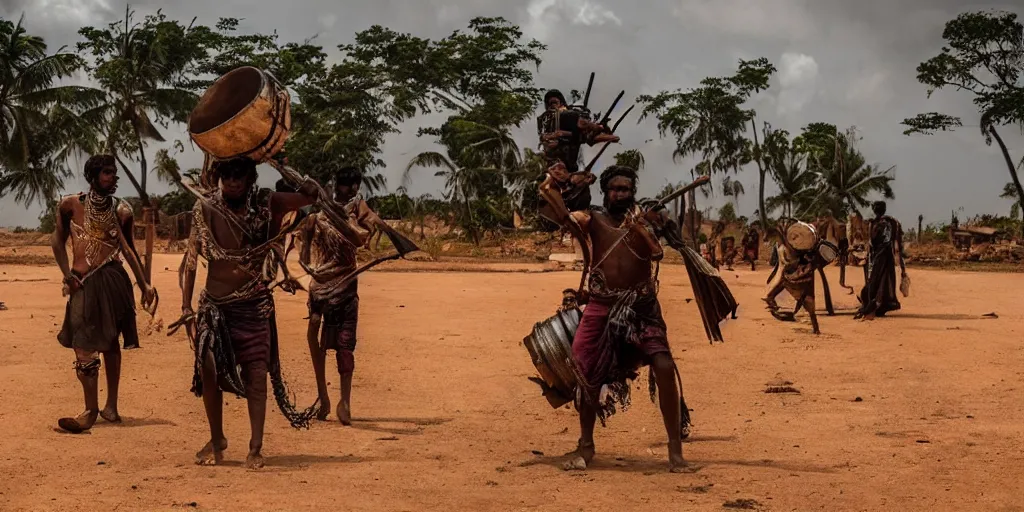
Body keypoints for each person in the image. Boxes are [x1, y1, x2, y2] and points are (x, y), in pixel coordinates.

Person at [538, 165, 709, 473]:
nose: (619, 194)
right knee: (586, 374)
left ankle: (675, 452)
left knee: (664, 365)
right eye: (614, 189)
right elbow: (562, 217)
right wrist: (552, 185)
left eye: (625, 189)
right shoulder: (594, 219)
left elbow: (657, 252)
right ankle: (586, 446)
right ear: (605, 192)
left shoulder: (645, 222)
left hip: (641, 307)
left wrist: (647, 225)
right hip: (602, 306)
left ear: (633, 192)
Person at [178, 157, 321, 469]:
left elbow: (311, 194)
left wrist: (284, 164)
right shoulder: (206, 208)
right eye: (226, 176)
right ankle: (217, 439)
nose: (231, 182)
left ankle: (255, 448)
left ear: (250, 178)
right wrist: (187, 307)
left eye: (238, 176)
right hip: (215, 307)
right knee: (209, 369)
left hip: (254, 306)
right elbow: (190, 259)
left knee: (256, 376)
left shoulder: (269, 204)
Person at [51, 154, 157, 433]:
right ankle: (90, 409)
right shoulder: (69, 205)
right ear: (94, 175)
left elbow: (129, 250)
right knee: (83, 344)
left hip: (112, 280)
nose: (113, 177)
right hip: (81, 283)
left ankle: (111, 406)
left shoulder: (122, 211)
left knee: (111, 342)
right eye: (107, 173)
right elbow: (58, 241)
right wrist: (66, 275)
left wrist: (144, 284)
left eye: (114, 173)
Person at [298, 166, 380, 425]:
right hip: (320, 286)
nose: (350, 190)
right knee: (313, 329)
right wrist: (307, 258)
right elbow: (303, 251)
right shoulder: (317, 217)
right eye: (345, 185)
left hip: (346, 287)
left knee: (345, 347)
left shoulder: (357, 212)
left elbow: (367, 232)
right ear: (335, 185)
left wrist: (364, 226)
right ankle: (323, 395)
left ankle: (345, 402)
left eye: (354, 185)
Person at [536, 89, 619, 212]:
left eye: (555, 102)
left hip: (570, 171)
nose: (552, 105)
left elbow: (612, 138)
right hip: (554, 169)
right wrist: (595, 126)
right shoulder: (552, 118)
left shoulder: (576, 133)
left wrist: (603, 127)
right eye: (550, 103)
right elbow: (581, 124)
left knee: (582, 185)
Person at [856, 201, 905, 319]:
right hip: (879, 255)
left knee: (878, 280)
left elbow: (885, 241)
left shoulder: (884, 223)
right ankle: (875, 305)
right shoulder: (877, 222)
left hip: (883, 256)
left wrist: (878, 255)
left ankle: (874, 306)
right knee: (880, 280)